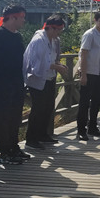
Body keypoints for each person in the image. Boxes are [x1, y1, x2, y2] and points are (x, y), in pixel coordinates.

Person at [0, 4, 28, 165]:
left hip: (16, 82)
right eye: (22, 17)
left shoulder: (18, 36)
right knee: (2, 118)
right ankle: (4, 151)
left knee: (15, 117)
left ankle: (14, 147)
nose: (24, 20)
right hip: (0, 83)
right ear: (12, 17)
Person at [22, 14, 68, 150]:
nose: (59, 33)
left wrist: (58, 64)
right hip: (38, 78)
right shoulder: (38, 40)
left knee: (48, 107)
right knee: (38, 109)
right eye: (58, 30)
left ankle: (42, 134)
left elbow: (54, 58)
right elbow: (37, 64)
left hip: (50, 77)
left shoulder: (55, 40)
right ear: (51, 28)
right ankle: (31, 139)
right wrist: (56, 67)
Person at [77, 12, 100, 140]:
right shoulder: (89, 34)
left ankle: (92, 127)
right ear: (95, 20)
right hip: (89, 71)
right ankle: (81, 130)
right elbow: (84, 54)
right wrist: (83, 74)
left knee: (96, 101)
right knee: (84, 102)